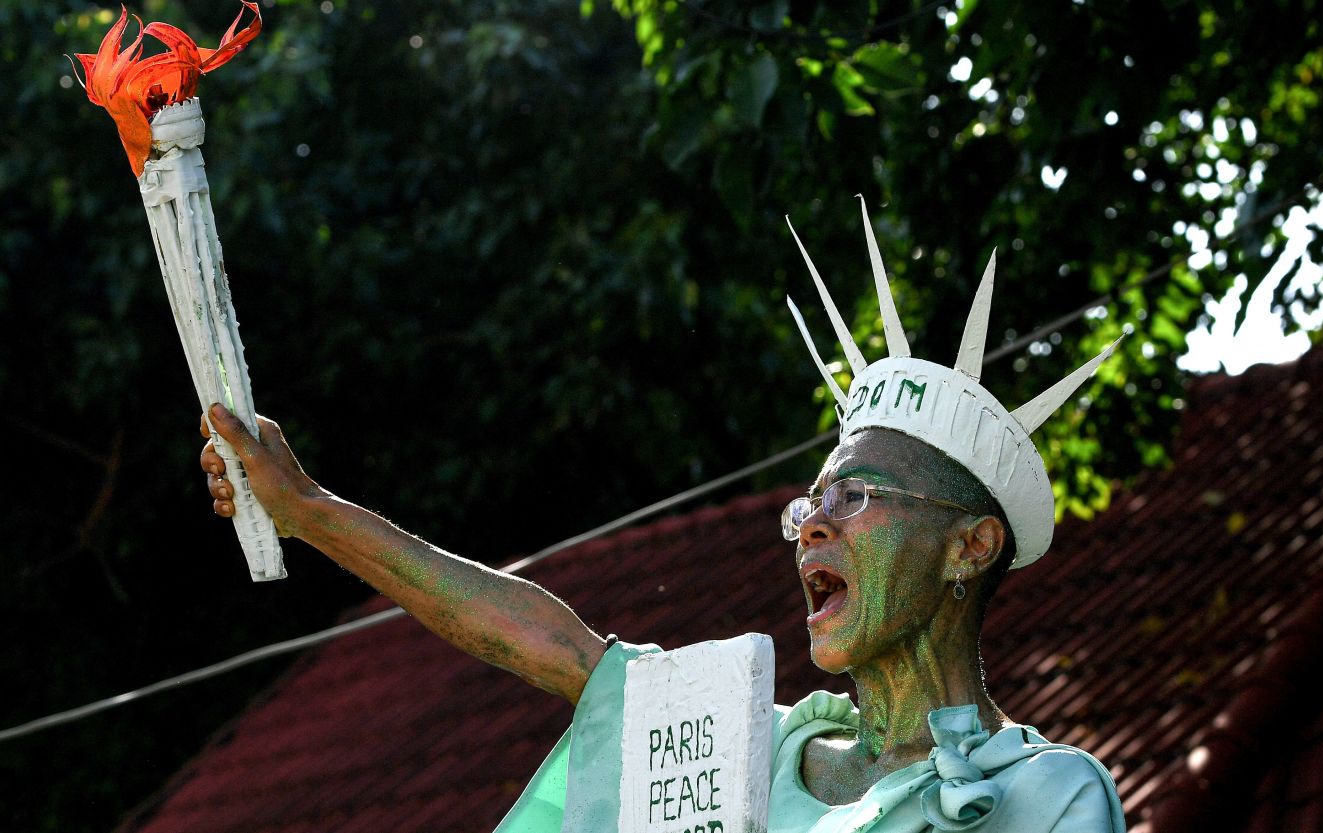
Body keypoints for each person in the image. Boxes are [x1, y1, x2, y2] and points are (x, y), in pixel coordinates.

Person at [197, 201, 1126, 832]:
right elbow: (561, 649)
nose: (813, 521)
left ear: (970, 545)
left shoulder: (1047, 797)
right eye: (812, 500)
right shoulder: (745, 754)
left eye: (859, 494)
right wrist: (309, 510)